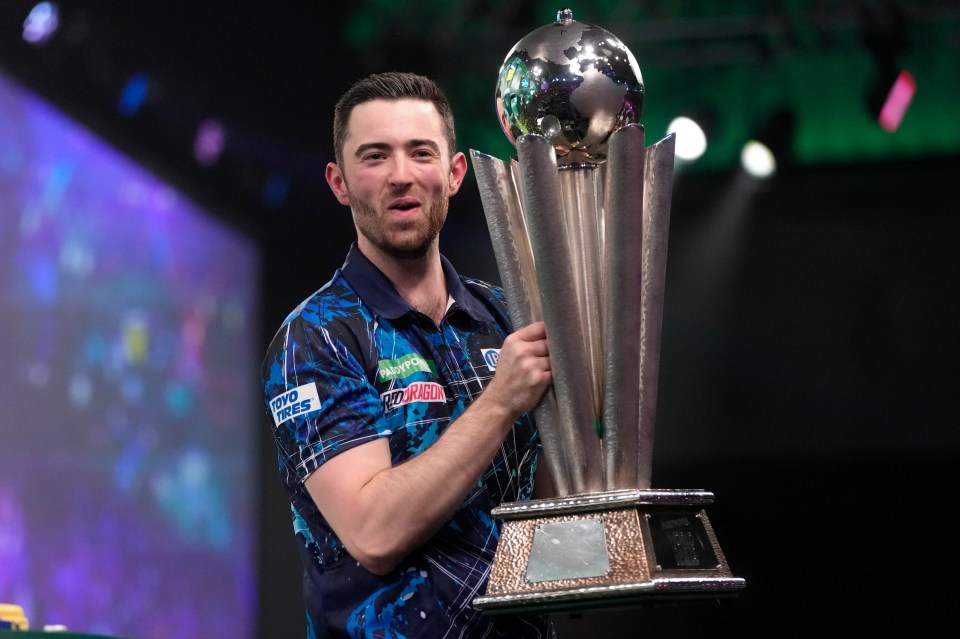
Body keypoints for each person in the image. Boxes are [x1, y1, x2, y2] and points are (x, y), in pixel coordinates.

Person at [260, 71, 556, 638]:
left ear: (455, 173)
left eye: (421, 153)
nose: (400, 176)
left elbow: (555, 507)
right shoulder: (316, 338)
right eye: (374, 156)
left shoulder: (505, 318)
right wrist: (500, 405)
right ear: (339, 182)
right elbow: (374, 533)